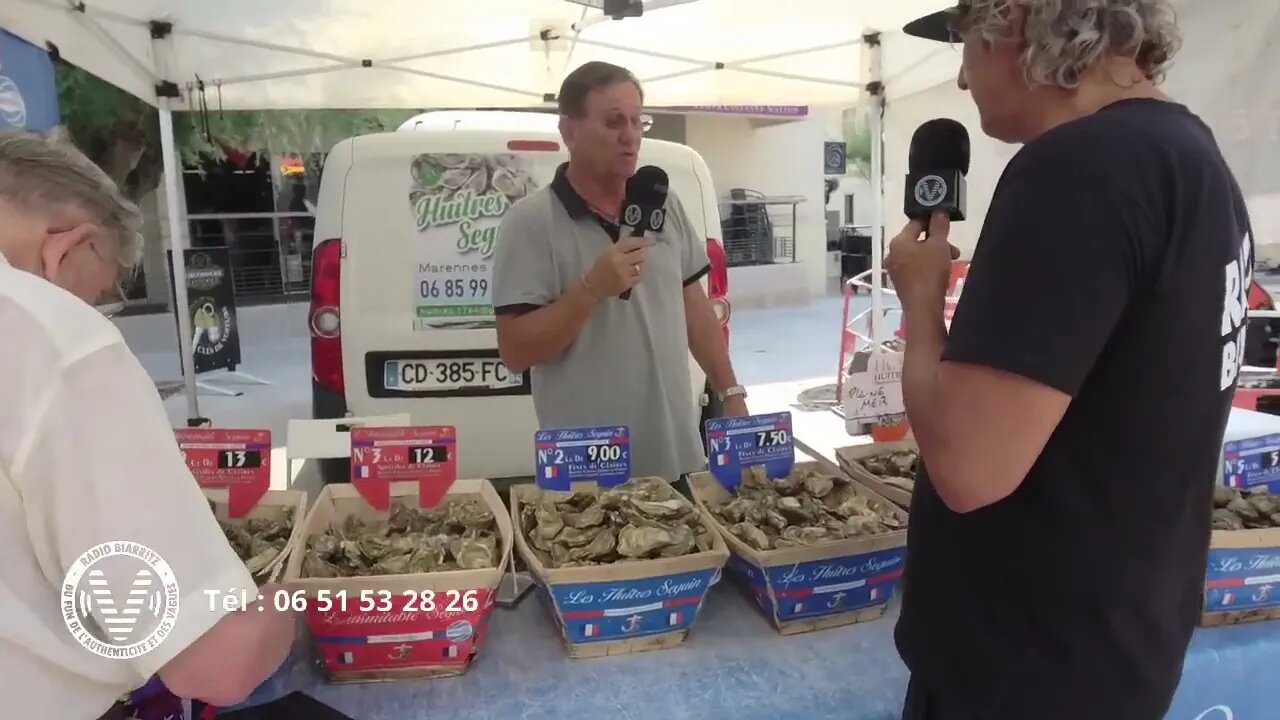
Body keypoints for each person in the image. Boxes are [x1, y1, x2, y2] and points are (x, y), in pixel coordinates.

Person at [888, 2, 1250, 718]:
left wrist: (921, 304)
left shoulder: (1079, 170)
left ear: (1017, 20)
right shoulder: (1189, 157)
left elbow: (967, 466)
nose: (961, 79)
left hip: (1026, 665)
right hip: (1117, 644)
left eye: (964, 44)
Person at [0, 132, 296, 719]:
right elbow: (217, 664)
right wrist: (289, 600)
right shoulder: (55, 337)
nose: (98, 313)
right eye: (104, 294)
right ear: (67, 249)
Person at [492, 61, 747, 485]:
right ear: (569, 131)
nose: (630, 136)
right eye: (613, 122)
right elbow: (515, 351)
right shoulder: (529, 223)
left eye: (637, 121)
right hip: (587, 471)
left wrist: (731, 393)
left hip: (676, 456)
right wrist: (591, 289)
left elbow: (693, 306)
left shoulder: (664, 205)